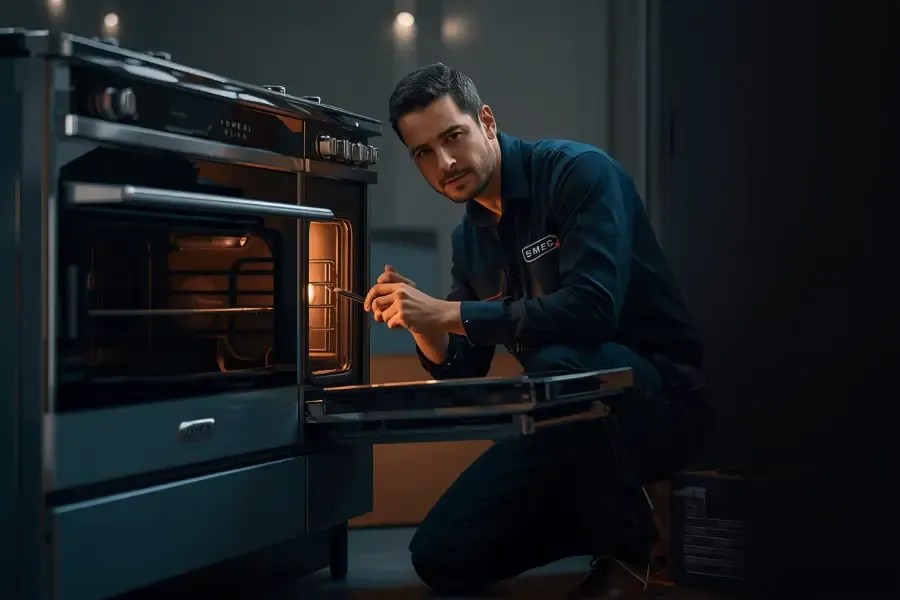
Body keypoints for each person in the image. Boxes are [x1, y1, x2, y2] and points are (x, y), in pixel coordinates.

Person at [364, 63, 709, 597]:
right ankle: (615, 517)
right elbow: (467, 365)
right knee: (440, 555)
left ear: (486, 121)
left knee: (557, 364)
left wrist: (446, 313)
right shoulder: (470, 238)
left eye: (452, 137)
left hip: (657, 401)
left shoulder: (579, 173)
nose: (445, 162)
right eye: (423, 154)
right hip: (562, 420)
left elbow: (592, 311)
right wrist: (419, 322)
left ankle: (627, 557)